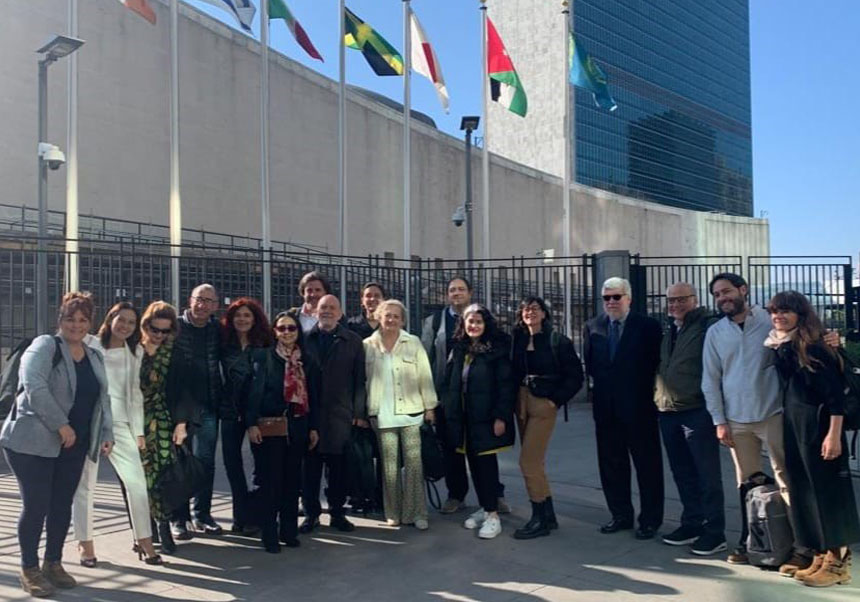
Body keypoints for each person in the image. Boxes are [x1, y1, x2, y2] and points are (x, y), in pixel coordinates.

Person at [1, 292, 114, 597]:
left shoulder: (94, 355)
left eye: (83, 319)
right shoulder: (45, 346)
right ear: (59, 320)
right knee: (37, 505)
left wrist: (106, 432)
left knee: (61, 505)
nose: (76, 325)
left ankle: (53, 562)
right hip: (32, 441)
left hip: (73, 444)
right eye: (70, 319)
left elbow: (103, 399)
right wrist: (60, 425)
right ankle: (29, 568)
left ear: (91, 322)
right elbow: (34, 387)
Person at [764, 291, 859, 587]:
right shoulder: (782, 346)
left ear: (800, 314)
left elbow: (834, 396)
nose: (779, 316)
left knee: (828, 493)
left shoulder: (813, 347)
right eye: (775, 311)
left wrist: (833, 436)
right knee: (804, 491)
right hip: (795, 427)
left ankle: (838, 561)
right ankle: (819, 553)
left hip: (819, 428)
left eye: (786, 311)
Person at [72, 302, 163, 566]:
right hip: (90, 422)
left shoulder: (134, 351)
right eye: (120, 319)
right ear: (110, 318)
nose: (124, 326)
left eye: (131, 322)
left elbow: (135, 394)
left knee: (136, 484)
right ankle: (85, 543)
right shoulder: (89, 343)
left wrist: (139, 431)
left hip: (121, 423)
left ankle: (144, 539)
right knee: (85, 486)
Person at [421, 276, 509, 515]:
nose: (456, 293)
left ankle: (493, 496)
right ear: (447, 295)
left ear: (470, 292)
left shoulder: (480, 318)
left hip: (479, 398)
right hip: (447, 396)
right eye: (452, 290)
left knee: (483, 450)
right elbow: (426, 359)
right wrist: (430, 398)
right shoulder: (435, 321)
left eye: (461, 289)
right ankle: (456, 494)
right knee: (451, 449)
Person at [584, 277, 664, 540]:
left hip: (639, 409)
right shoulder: (593, 326)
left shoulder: (648, 327)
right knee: (611, 465)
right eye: (606, 298)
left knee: (647, 466)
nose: (611, 302)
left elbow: (656, 365)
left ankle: (650, 520)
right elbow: (593, 365)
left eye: (616, 297)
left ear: (628, 297)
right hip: (606, 411)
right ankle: (620, 514)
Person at [654, 283, 726, 556]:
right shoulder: (670, 328)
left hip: (697, 411)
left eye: (681, 300)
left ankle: (714, 531)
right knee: (682, 472)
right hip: (668, 411)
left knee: (707, 475)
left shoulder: (708, 326)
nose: (675, 305)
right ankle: (691, 523)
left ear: (694, 300)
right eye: (671, 300)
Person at [510, 296, 583, 539]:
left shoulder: (557, 341)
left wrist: (555, 401)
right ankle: (548, 515)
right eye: (525, 309)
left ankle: (538, 516)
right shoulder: (517, 339)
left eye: (534, 309)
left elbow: (575, 377)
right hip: (520, 403)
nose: (529, 312)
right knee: (536, 462)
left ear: (543, 313)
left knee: (528, 461)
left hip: (543, 404)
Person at [247, 310, 320, 553]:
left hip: (298, 426)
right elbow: (255, 393)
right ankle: (269, 533)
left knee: (292, 482)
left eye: (291, 328)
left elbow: (315, 397)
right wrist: (252, 423)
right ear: (275, 332)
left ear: (298, 332)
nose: (287, 333)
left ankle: (288, 531)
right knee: (270, 482)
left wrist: (313, 428)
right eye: (282, 328)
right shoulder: (265, 357)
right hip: (271, 426)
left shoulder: (307, 360)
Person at [440, 304, 514, 540]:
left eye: (478, 322)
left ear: (486, 324)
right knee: (474, 464)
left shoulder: (496, 351)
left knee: (486, 466)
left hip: (486, 418)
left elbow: (505, 386)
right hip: (463, 419)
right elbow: (448, 380)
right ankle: (485, 506)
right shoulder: (459, 349)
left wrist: (501, 416)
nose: (473, 326)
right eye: (469, 321)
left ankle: (493, 516)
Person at [364, 299, 437, 530]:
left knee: (414, 465)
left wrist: (430, 407)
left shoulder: (412, 342)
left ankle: (416, 513)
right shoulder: (367, 345)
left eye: (396, 316)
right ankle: (393, 512)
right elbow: (362, 380)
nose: (391, 320)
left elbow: (425, 375)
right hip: (383, 414)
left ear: (402, 319)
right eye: (387, 315)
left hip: (411, 412)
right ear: (379, 317)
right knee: (389, 467)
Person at [300, 294, 368, 533]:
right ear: (315, 312)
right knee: (310, 471)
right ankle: (311, 514)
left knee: (339, 470)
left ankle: (338, 513)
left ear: (340, 313)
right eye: (323, 308)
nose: (327, 311)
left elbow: (360, 380)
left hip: (341, 415)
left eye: (332, 308)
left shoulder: (353, 341)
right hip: (311, 415)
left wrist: (358, 413)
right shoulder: (305, 339)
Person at [139, 301, 197, 555]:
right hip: (133, 420)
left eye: (165, 331)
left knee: (162, 475)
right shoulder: (133, 351)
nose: (159, 335)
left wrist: (182, 423)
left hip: (163, 420)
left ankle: (163, 526)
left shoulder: (176, 353)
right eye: (155, 329)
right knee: (137, 479)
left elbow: (186, 389)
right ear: (145, 325)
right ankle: (143, 531)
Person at [171, 283, 224, 539]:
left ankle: (202, 513)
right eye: (199, 299)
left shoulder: (216, 329)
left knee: (206, 463)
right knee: (180, 462)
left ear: (216, 306)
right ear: (189, 300)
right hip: (180, 409)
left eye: (209, 301)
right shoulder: (176, 327)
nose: (203, 305)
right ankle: (179, 519)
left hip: (209, 406)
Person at [220, 297, 273, 535]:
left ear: (255, 319)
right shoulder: (224, 344)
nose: (242, 319)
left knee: (261, 466)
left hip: (257, 414)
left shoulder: (264, 345)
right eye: (237, 315)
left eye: (247, 315)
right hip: (230, 412)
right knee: (233, 466)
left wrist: (253, 418)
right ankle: (240, 515)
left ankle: (257, 515)